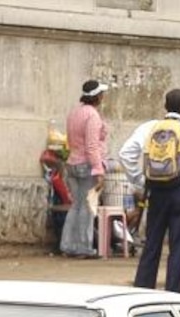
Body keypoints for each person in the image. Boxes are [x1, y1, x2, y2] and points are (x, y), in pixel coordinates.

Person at [118, 89, 180, 292]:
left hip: (156, 191)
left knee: (152, 243)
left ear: (165, 106)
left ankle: (143, 289)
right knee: (178, 247)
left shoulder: (150, 127)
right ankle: (173, 292)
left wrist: (140, 180)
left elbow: (125, 154)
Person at [60, 79, 109, 258]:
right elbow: (91, 146)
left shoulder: (75, 113)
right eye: (102, 94)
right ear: (97, 97)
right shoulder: (92, 116)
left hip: (72, 163)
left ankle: (68, 245)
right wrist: (99, 170)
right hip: (86, 165)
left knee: (76, 205)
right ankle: (83, 246)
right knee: (87, 206)